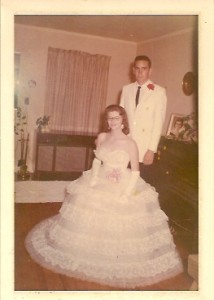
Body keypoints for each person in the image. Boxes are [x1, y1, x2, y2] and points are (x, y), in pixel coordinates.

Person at [25, 105, 183, 289]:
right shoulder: (102, 137)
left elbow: (135, 172)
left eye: (116, 118)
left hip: (123, 184)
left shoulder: (130, 143)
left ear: (123, 120)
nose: (112, 122)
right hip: (99, 178)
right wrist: (92, 179)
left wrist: (125, 194)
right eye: (109, 118)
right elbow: (97, 159)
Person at [120, 55, 167, 184]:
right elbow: (121, 119)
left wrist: (151, 150)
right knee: (122, 182)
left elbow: (158, 123)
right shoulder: (126, 89)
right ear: (133, 70)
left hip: (144, 147)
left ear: (150, 71)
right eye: (137, 68)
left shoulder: (159, 92)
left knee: (139, 185)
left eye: (144, 69)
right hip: (126, 144)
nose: (140, 72)